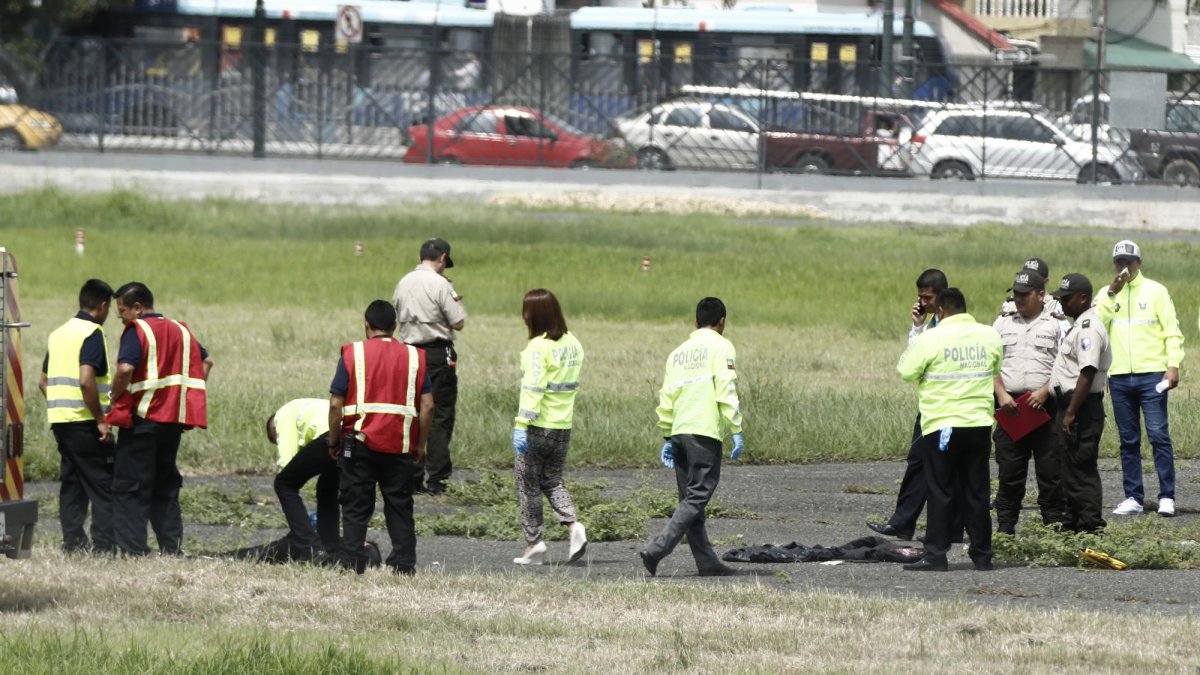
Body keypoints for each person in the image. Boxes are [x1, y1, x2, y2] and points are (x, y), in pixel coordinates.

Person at [897, 288, 1001, 572]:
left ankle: (936, 555)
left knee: (940, 490)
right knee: (977, 490)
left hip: (942, 426)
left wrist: (918, 331)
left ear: (941, 311)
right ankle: (982, 556)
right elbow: (996, 367)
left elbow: (906, 370)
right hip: (978, 424)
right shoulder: (989, 335)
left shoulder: (931, 337)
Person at [106, 282, 213, 556]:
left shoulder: (138, 330)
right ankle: (171, 549)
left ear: (137, 308)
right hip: (173, 423)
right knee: (165, 486)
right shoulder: (181, 329)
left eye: (122, 312)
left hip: (143, 420)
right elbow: (207, 362)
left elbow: (125, 368)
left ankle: (133, 551)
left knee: (131, 486)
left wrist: (114, 395)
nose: (121, 318)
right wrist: (183, 396)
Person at [640, 297, 743, 578]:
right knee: (697, 497)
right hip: (703, 432)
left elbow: (666, 396)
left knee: (689, 499)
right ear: (722, 321)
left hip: (679, 431)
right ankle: (657, 549)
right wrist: (735, 428)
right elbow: (726, 388)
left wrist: (667, 435)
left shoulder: (677, 353)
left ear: (695, 322)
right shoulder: (721, 346)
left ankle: (707, 562)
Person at [328, 300, 433, 575]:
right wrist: (420, 445)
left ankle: (352, 563)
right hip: (400, 444)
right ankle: (403, 565)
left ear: (366, 324)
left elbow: (336, 404)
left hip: (358, 442)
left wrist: (334, 441)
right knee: (400, 506)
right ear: (395, 326)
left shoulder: (353, 353)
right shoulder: (415, 357)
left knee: (355, 505)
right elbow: (428, 406)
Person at [222, 399, 380, 566]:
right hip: (354, 437)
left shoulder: (281, 416)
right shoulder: (309, 406)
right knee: (326, 488)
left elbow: (287, 463)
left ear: (274, 429)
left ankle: (310, 546)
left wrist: (296, 520)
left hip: (331, 435)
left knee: (284, 484)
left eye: (277, 439)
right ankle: (330, 547)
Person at [868, 268, 964, 541]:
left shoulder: (953, 328)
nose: (922, 303)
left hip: (949, 409)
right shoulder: (931, 325)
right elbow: (915, 358)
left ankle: (948, 528)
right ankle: (905, 522)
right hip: (931, 408)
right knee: (919, 464)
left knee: (950, 470)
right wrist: (918, 327)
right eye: (920, 297)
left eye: (927, 298)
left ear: (942, 297)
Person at [1096, 240, 1185, 517]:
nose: (1124, 267)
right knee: (1128, 440)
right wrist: (1112, 293)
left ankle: (1167, 496)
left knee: (1158, 436)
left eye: (1129, 261)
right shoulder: (1107, 294)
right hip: (1120, 377)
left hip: (1152, 375)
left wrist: (1173, 365)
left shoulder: (1156, 291)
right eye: (1119, 262)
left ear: (1139, 263)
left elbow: (1172, 331)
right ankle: (1133, 496)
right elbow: (1097, 325)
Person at [510, 289, 588, 566]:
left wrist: (521, 425)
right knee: (552, 480)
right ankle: (573, 525)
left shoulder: (537, 348)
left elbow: (533, 389)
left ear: (534, 315)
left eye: (526, 311)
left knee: (527, 484)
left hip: (537, 426)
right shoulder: (573, 343)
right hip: (562, 426)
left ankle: (534, 543)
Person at [39, 278, 116, 554]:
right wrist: (100, 420)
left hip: (61, 422)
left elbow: (43, 382)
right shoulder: (92, 333)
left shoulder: (58, 334)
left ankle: (73, 544)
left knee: (72, 485)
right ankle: (104, 547)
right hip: (85, 422)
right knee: (104, 485)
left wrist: (61, 406)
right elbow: (86, 380)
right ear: (103, 306)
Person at [991, 270, 1066, 535]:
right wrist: (1001, 393)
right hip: (1011, 407)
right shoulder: (1002, 323)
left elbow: (1066, 365)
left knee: (1051, 472)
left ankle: (1053, 528)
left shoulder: (1056, 324)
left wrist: (1045, 390)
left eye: (1025, 294)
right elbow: (991, 363)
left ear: (1041, 295)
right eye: (1016, 294)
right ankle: (1005, 528)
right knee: (1009, 472)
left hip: (1046, 407)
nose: (1019, 299)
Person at [393, 238, 466, 495]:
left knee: (412, 413)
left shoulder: (403, 282)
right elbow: (458, 322)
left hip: (409, 353)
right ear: (443, 258)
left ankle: (412, 477)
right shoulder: (441, 284)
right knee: (439, 414)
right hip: (437, 353)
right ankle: (437, 479)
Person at [1048, 274, 1110, 533]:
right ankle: (1073, 523)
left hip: (1081, 407)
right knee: (1069, 468)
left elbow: (1087, 372)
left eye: (1066, 298)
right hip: (1072, 405)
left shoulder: (1088, 328)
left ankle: (1090, 527)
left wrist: (1071, 412)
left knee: (1081, 469)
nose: (1062, 303)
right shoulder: (1079, 325)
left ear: (1083, 298)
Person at [998, 257, 1072, 338]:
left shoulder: (1054, 305)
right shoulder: (1010, 303)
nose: (1029, 278)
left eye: (1035, 277)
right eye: (1026, 274)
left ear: (1046, 282)